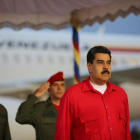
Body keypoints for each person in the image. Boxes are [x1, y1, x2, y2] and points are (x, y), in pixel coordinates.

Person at [55, 46, 131, 140]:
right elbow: (62, 135)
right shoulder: (72, 96)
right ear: (89, 67)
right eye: (100, 63)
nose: (106, 67)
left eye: (108, 63)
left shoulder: (121, 94)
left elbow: (127, 133)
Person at [16, 71, 65, 140]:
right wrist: (34, 96)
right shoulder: (40, 108)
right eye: (55, 85)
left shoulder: (71, 108)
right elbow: (21, 118)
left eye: (62, 85)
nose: (60, 88)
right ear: (49, 90)